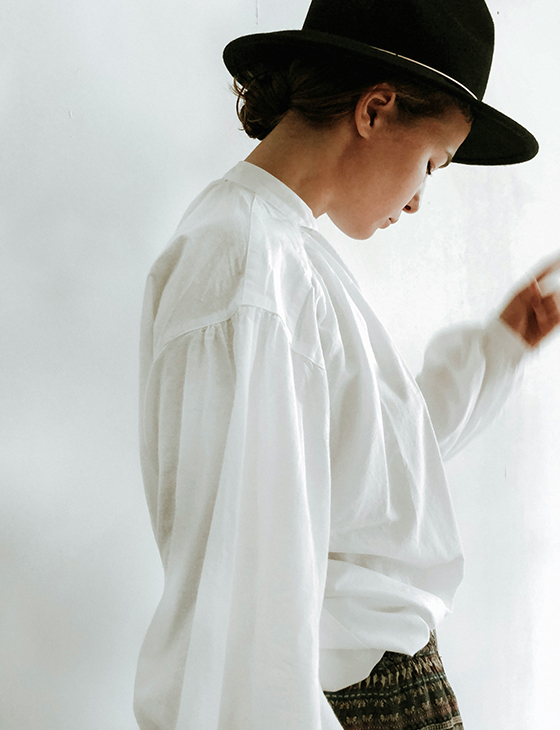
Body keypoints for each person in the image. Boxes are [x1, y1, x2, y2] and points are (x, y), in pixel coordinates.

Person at [133, 1, 560, 728]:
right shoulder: (248, 265)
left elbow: (372, 466)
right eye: (432, 162)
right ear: (375, 109)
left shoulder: (281, 252)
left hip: (380, 689)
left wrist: (501, 346)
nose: (419, 200)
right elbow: (241, 592)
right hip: (353, 701)